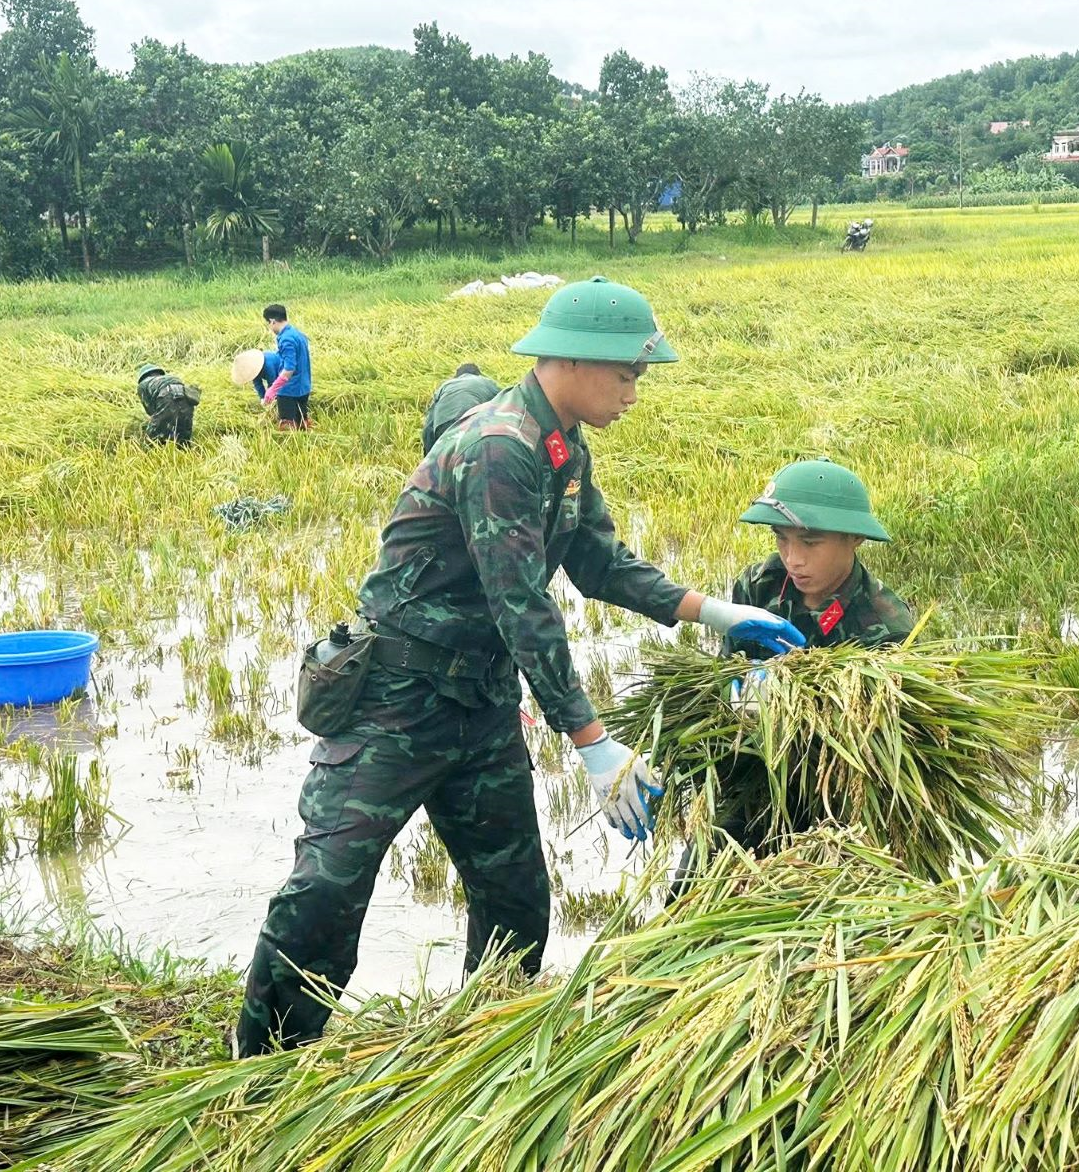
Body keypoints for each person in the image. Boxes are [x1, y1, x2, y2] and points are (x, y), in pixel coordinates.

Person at [236, 276, 806, 1056]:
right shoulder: (500, 446)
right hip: (396, 699)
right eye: (628, 373)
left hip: (480, 703)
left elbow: (601, 565)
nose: (635, 392)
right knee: (328, 887)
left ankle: (478, 1053)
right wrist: (593, 743)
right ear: (573, 359)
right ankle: (263, 1067)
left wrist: (713, 609)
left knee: (514, 898)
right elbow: (521, 606)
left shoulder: (563, 450)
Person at [672, 459, 915, 890]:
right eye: (781, 540)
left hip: (832, 794)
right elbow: (728, 669)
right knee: (691, 890)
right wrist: (739, 693)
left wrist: (802, 708)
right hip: (752, 771)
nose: (793, 559)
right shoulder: (760, 586)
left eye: (810, 542)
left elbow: (876, 745)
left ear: (854, 538)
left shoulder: (884, 624)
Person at [423, 362, 501, 456]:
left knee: (446, 461)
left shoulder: (446, 385)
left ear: (456, 376)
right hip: (471, 424)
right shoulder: (487, 383)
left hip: (443, 425)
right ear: (478, 374)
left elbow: (429, 425)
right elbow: (503, 405)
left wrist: (428, 456)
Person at [260, 304, 313, 429]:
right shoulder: (298, 334)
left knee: (287, 428)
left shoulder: (286, 339)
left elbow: (289, 369)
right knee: (302, 425)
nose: (269, 327)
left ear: (272, 321)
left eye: (268, 323)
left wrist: (273, 390)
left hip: (289, 391)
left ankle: (293, 448)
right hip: (304, 387)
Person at [136, 363, 200, 445]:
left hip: (166, 397)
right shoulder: (171, 378)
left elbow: (150, 410)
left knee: (153, 436)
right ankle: (185, 453)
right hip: (186, 397)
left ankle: (148, 454)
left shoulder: (143, 384)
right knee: (183, 431)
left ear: (143, 376)